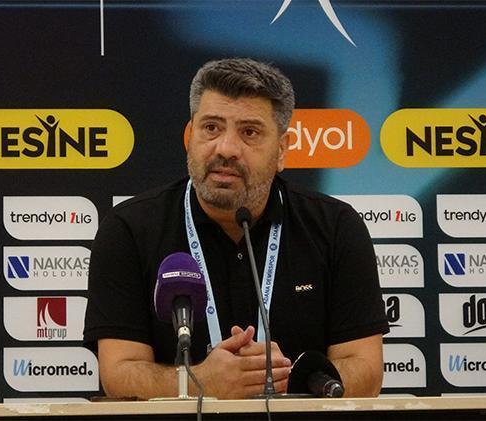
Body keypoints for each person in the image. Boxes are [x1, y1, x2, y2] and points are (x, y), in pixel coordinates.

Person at [83, 58, 389, 400]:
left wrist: (283, 377)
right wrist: (200, 382)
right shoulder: (128, 230)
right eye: (211, 128)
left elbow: (367, 372)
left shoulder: (336, 228)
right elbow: (119, 374)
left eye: (249, 132)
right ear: (190, 136)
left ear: (282, 150)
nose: (226, 148)